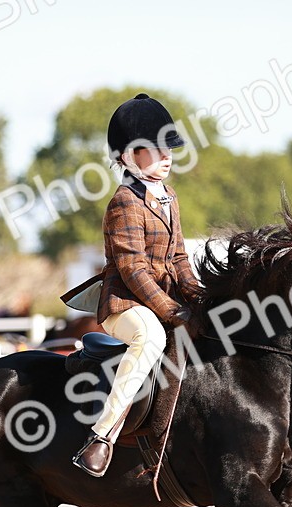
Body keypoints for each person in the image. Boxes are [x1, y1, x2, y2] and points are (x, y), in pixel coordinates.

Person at [71, 93, 200, 478]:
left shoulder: (169, 197)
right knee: (152, 338)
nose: (167, 157)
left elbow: (179, 258)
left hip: (158, 300)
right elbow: (133, 269)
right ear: (129, 156)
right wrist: (172, 310)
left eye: (169, 149)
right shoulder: (124, 201)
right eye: (157, 150)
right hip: (125, 305)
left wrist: (199, 297)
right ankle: (101, 435)